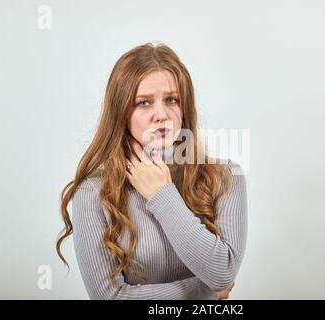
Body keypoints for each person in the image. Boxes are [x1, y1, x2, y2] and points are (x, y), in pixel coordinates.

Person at [56, 42, 248, 300]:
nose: (162, 114)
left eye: (172, 99)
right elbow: (110, 298)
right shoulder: (92, 192)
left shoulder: (225, 177)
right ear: (122, 113)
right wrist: (205, 290)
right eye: (144, 102)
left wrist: (161, 193)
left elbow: (222, 273)